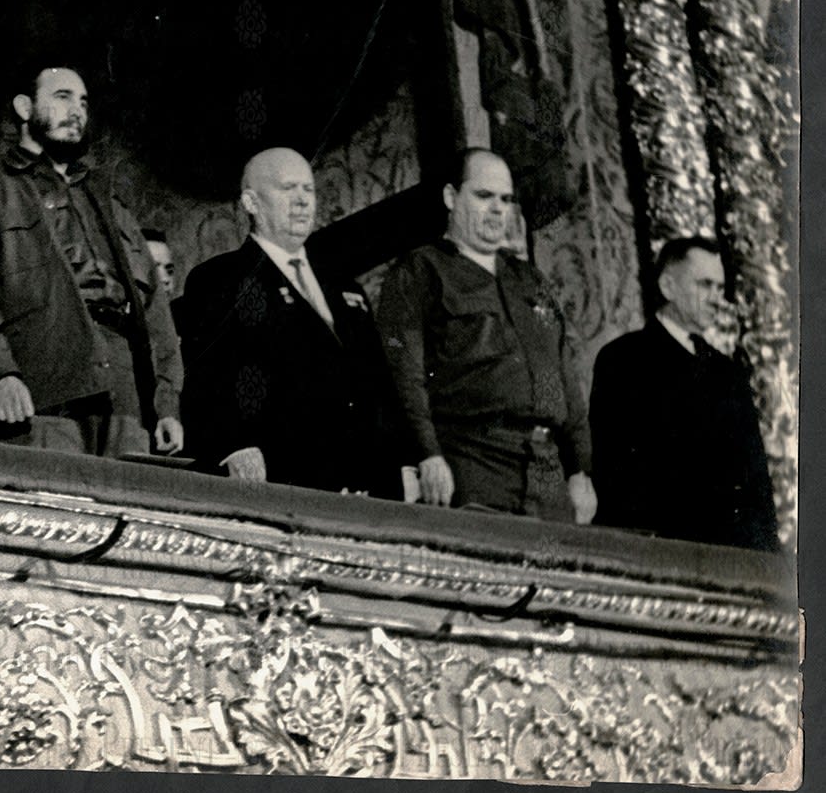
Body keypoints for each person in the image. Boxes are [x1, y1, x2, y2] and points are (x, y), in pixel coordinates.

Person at [0, 65, 183, 458]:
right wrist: (0, 373)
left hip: (125, 394)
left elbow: (155, 315)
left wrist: (166, 404)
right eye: (63, 97)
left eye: (83, 101)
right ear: (23, 106)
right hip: (44, 385)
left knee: (127, 507)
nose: (78, 110)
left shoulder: (109, 204)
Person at [375, 149, 597, 523]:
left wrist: (579, 470)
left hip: (548, 474)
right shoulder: (420, 271)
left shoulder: (530, 281)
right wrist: (427, 455)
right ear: (451, 198)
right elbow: (404, 375)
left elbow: (565, 377)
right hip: (473, 464)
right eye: (484, 196)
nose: (498, 209)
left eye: (506, 199)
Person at [180, 148, 405, 496]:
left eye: (308, 189)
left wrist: (402, 461)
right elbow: (206, 375)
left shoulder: (344, 287)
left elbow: (379, 382)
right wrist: (231, 444)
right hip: (282, 477)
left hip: (362, 482)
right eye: (288, 189)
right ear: (251, 203)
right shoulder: (220, 279)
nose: (302, 201)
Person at [588, 238, 778, 551]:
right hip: (663, 553)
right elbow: (616, 474)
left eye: (720, 288)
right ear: (668, 287)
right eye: (705, 285)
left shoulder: (728, 373)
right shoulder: (623, 360)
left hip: (733, 557)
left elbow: (756, 482)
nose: (717, 299)